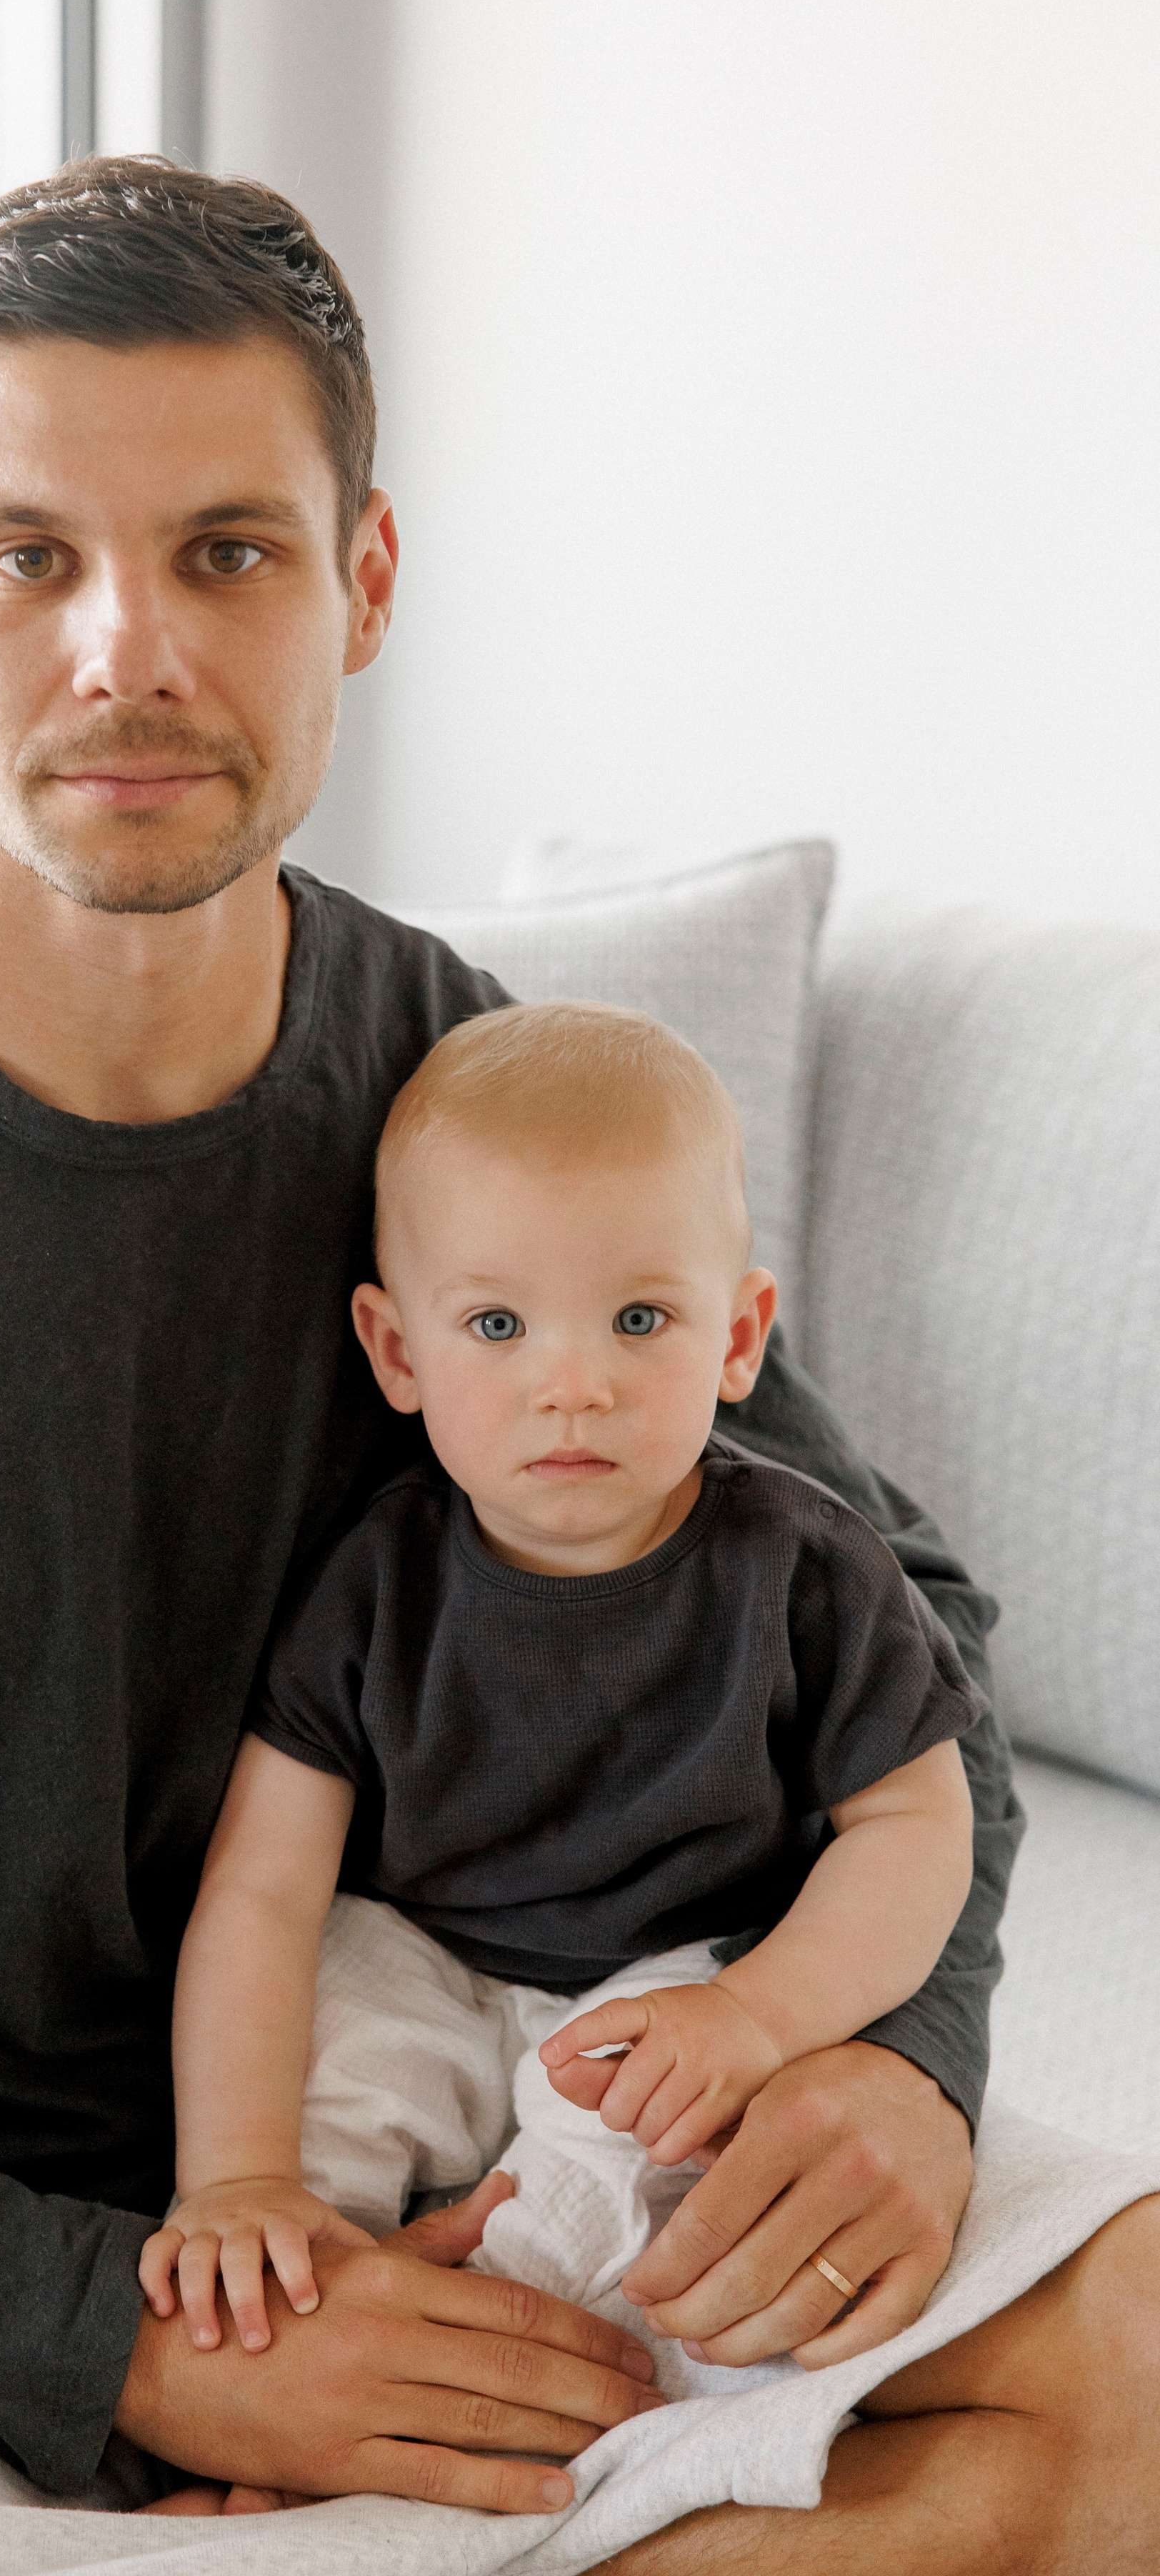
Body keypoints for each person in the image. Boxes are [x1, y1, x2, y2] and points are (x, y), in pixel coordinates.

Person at [0, 158, 1157, 2572]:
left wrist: (905, 2064)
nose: (130, 652)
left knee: (1145, 2359)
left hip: (450, 2088)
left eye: (227, 551)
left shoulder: (457, 1078)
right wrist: (116, 2323)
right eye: (27, 559)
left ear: (363, 583)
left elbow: (898, 1625)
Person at [145, 1002, 980, 2369]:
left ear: (739, 1337)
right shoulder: (370, 1584)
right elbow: (263, 1891)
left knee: (619, 2184)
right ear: (398, 1352)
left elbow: (917, 1825)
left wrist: (761, 2012)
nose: (574, 1385)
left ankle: (526, 2364)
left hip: (670, 1978)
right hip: (421, 1955)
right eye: (497, 1323)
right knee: (317, 2100)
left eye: (641, 1318)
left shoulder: (808, 1569)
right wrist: (234, 2177)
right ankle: (296, 2339)